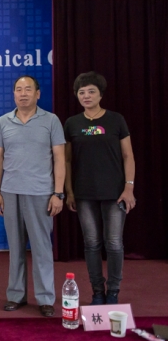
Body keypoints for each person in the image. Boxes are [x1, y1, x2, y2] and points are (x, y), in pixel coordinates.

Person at [0, 75, 65, 317]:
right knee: (15, 248)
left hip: (41, 192)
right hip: (10, 191)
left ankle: (45, 298)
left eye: (28, 89)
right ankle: (16, 295)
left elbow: (59, 158)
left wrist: (58, 193)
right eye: (18, 89)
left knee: (42, 248)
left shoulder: (51, 120)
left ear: (38, 93)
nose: (23, 93)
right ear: (13, 94)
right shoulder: (3, 121)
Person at [64, 71, 135, 305]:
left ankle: (113, 291)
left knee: (114, 243)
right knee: (91, 243)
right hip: (84, 193)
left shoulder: (116, 120)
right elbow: (67, 160)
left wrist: (129, 187)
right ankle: (97, 291)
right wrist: (69, 192)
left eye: (91, 91)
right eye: (81, 92)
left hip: (115, 193)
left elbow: (128, 156)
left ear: (101, 94)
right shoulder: (72, 123)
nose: (86, 96)